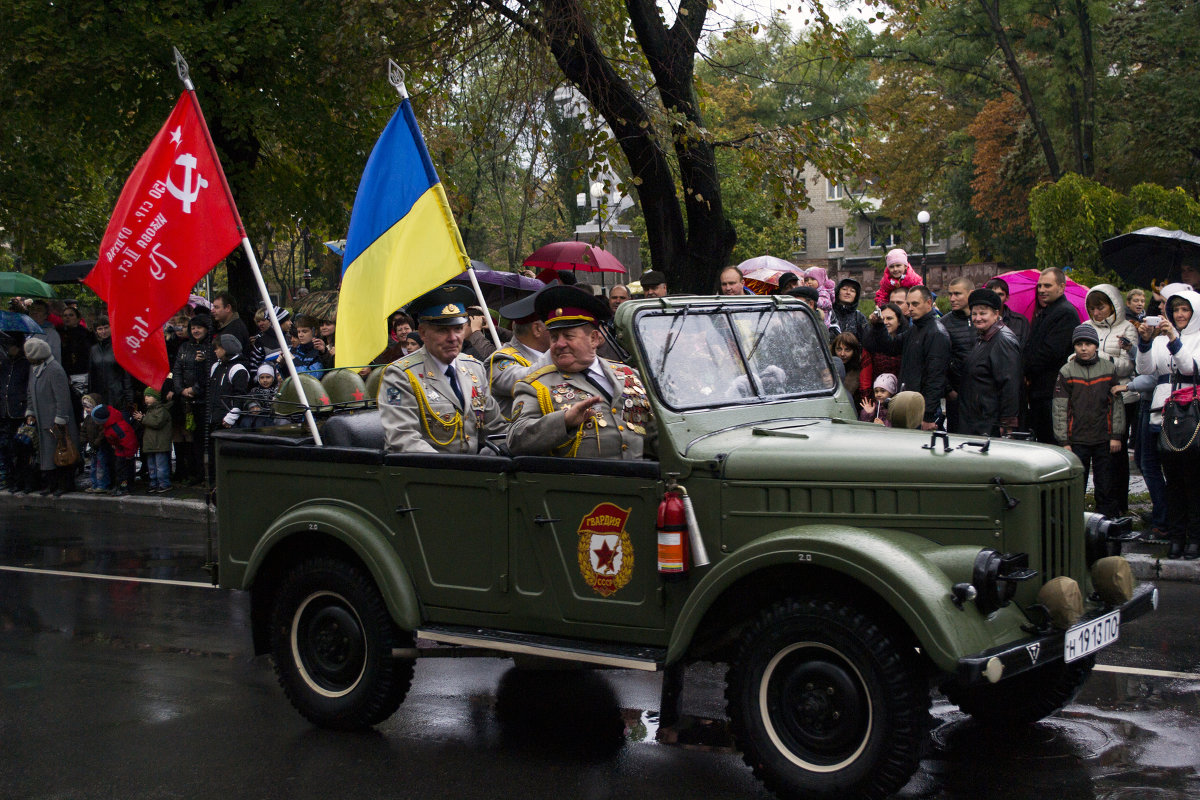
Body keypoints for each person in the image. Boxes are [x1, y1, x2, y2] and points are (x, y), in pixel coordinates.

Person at [507, 285, 655, 460]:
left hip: (639, 481)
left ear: (593, 339)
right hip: (579, 484)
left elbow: (655, 434)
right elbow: (515, 440)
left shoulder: (629, 375)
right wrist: (564, 421)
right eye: (554, 337)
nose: (559, 344)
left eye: (568, 336)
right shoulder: (535, 386)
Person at [379, 285, 503, 454]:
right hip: (428, 474)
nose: (453, 338)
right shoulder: (399, 376)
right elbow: (404, 438)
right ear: (422, 333)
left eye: (458, 329)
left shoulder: (474, 369)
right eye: (442, 330)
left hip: (476, 473)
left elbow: (496, 428)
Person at [1135, 290, 1200, 559]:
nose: (1179, 315)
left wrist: (1174, 339)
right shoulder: (1163, 339)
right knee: (1171, 481)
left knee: (1193, 481)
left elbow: (1189, 368)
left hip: (1191, 417)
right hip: (1162, 415)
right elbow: (1145, 369)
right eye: (1175, 310)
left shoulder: (1196, 338)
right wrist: (1146, 342)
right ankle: (1176, 536)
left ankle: (1194, 538)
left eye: (1185, 309)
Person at [1053, 324, 1125, 519]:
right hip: (1077, 439)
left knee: (1106, 486)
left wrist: (1116, 435)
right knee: (1076, 486)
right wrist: (1064, 441)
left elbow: (1115, 405)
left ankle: (1106, 526)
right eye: (1079, 344)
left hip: (1104, 438)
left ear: (1096, 346)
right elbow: (1060, 408)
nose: (1083, 348)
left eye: (1088, 344)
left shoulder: (1108, 369)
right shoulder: (1066, 371)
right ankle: (1074, 523)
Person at [863, 285, 950, 431]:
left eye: (915, 304)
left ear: (929, 303)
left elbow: (936, 379)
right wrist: (878, 326)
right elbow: (891, 347)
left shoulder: (936, 333)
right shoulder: (915, 329)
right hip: (908, 402)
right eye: (909, 304)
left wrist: (928, 416)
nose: (910, 308)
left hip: (921, 410)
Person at [1085, 284, 1138, 513]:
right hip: (1093, 398)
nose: (1096, 313)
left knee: (1117, 452)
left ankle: (1120, 503)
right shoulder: (1085, 327)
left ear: (1113, 306)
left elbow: (1129, 364)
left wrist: (1101, 358)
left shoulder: (1127, 328)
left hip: (1122, 398)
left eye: (1101, 307)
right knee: (1099, 452)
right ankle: (1103, 501)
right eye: (1092, 308)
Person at [1023, 267, 1081, 444]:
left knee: (1053, 442)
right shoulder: (1047, 311)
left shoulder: (1065, 313)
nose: (1041, 290)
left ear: (1061, 287)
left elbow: (1050, 352)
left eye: (1047, 285)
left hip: (1053, 390)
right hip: (1040, 390)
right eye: (1039, 285)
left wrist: (1026, 370)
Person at [959, 289, 1022, 436]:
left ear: (995, 314)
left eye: (983, 313)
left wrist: (1007, 423)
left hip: (990, 422)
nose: (977, 318)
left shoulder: (1002, 341)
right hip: (978, 418)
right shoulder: (984, 337)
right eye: (974, 314)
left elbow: (1010, 384)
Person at [23, 337, 79, 496]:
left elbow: (62, 397)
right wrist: (31, 412)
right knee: (46, 454)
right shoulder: (34, 369)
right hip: (41, 419)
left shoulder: (54, 369)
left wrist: (60, 418)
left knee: (61, 451)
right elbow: (30, 392)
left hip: (55, 420)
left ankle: (65, 484)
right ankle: (50, 483)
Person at [486, 291, 551, 419]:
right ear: (537, 329)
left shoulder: (545, 355)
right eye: (553, 324)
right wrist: (557, 351)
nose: (559, 331)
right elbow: (527, 380)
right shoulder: (501, 361)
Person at [172, 315, 214, 485]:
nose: (196, 331)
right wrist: (181, 389)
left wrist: (195, 390)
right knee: (192, 438)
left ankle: (207, 475)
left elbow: (208, 374)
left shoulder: (210, 347)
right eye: (193, 328)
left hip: (203, 399)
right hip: (185, 400)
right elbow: (176, 371)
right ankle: (195, 472)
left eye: (199, 327)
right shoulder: (184, 347)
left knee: (205, 439)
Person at [205, 334, 251, 482]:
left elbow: (240, 395)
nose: (215, 351)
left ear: (226, 349)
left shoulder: (238, 369)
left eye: (217, 348)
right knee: (213, 455)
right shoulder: (215, 366)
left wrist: (232, 415)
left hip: (226, 420)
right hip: (214, 417)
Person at [941, 277, 977, 432]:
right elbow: (939, 361)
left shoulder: (982, 320)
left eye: (957, 294)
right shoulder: (944, 324)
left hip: (982, 394)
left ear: (971, 294)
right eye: (950, 294)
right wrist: (948, 390)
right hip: (956, 393)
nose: (952, 298)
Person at [0, 333, 31, 491]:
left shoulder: (25, 364)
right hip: (5, 411)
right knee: (6, 448)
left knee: (21, 449)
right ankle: (10, 479)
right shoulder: (4, 363)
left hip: (19, 411)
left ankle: (22, 480)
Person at [87, 316, 133, 414]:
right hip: (100, 395)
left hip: (118, 395)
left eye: (106, 327)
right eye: (100, 329)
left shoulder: (119, 346)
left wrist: (129, 397)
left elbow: (126, 374)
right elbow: (92, 375)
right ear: (96, 331)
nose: (103, 331)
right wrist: (90, 396)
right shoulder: (93, 350)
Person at [133, 387, 173, 493]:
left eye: (149, 396)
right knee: (152, 466)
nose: (146, 398)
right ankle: (153, 483)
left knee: (161, 466)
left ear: (156, 398)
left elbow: (157, 423)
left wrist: (143, 419)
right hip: (150, 444)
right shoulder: (149, 411)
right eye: (145, 396)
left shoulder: (162, 410)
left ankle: (164, 484)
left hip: (160, 444)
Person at [91, 403, 137, 496]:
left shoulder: (117, 427)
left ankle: (124, 487)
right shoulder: (110, 425)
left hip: (126, 453)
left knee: (124, 473)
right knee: (119, 470)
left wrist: (129, 455)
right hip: (120, 450)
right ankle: (119, 486)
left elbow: (128, 441)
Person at [58, 304, 95, 394]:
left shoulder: (85, 334)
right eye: (65, 315)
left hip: (82, 373)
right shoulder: (60, 333)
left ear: (78, 319)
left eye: (71, 315)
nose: (67, 318)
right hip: (65, 372)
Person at [984, 277, 1030, 349]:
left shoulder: (1020, 321)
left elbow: (1025, 349)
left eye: (1000, 294)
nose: (996, 298)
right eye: (992, 294)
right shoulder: (979, 320)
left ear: (1007, 297)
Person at [832, 332, 872, 404]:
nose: (842, 354)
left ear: (854, 351)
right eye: (839, 349)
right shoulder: (828, 366)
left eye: (847, 350)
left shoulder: (859, 369)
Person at [829, 278, 869, 343]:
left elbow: (867, 341)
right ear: (838, 292)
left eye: (852, 291)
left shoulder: (859, 317)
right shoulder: (829, 313)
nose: (848, 293)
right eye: (844, 289)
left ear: (856, 296)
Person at [26, 300, 62, 365]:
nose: (34, 312)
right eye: (32, 309)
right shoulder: (24, 331)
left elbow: (56, 358)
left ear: (45, 315)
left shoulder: (51, 334)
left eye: (39, 310)